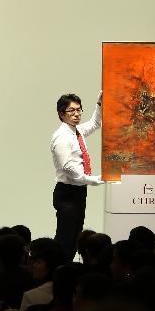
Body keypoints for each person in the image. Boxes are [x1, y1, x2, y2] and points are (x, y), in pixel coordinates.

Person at [50, 92, 104, 259]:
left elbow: (95, 123)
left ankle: (66, 271)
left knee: (74, 237)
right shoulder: (62, 137)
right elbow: (70, 170)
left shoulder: (76, 131)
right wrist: (95, 179)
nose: (76, 114)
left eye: (79, 110)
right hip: (67, 192)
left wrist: (100, 105)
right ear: (61, 114)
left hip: (78, 191)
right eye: (71, 111)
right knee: (65, 239)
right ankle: (57, 273)